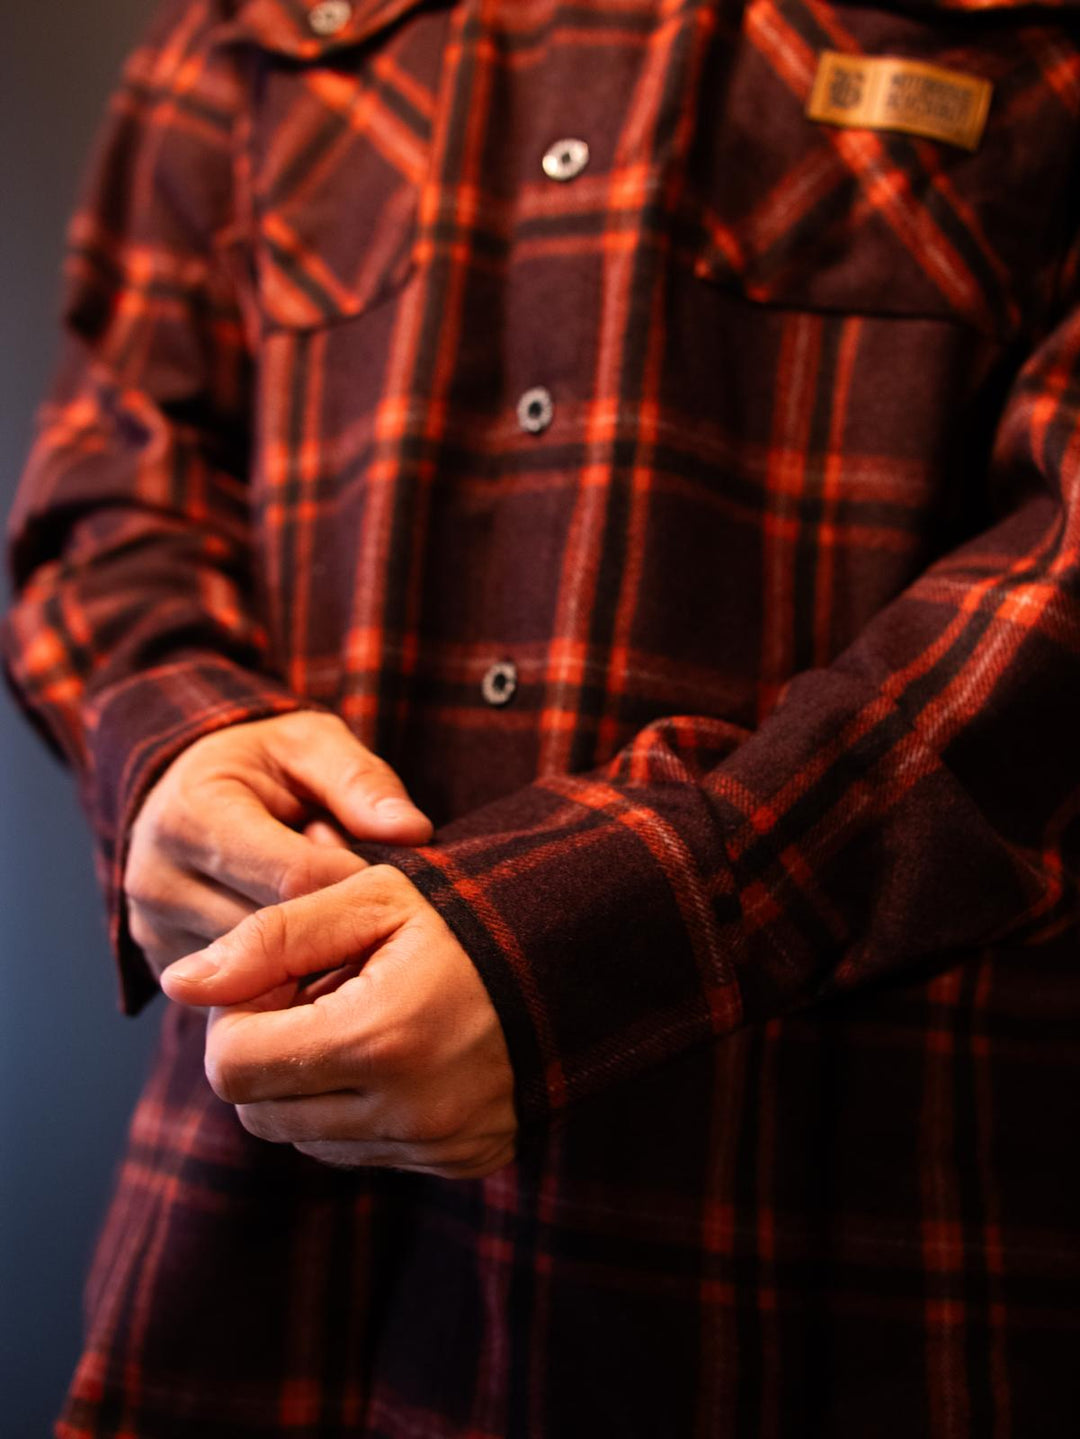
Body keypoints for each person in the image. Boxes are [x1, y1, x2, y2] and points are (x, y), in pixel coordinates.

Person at [4, 0, 1080, 1433]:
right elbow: (115, 477)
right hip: (267, 1273)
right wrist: (176, 742)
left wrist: (643, 914)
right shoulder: (246, 30)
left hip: (836, 1250)